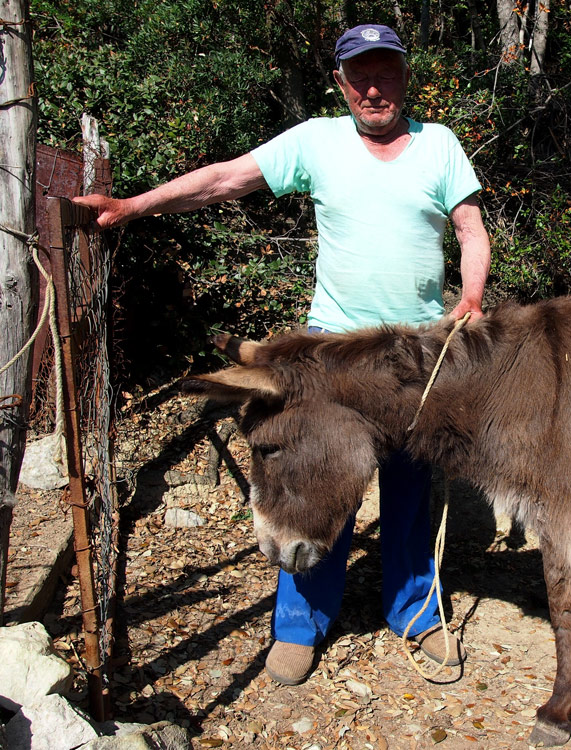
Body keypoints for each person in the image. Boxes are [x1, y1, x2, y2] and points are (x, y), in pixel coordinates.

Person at [74, 23, 490, 686]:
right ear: (341, 83)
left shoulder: (439, 144)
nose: (374, 88)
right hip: (330, 355)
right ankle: (300, 624)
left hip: (415, 355)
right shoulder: (317, 140)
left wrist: (469, 298)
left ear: (405, 77)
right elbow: (222, 181)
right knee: (312, 478)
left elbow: (470, 230)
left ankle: (414, 610)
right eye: (360, 75)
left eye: (386, 72)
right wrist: (133, 206)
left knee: (411, 491)